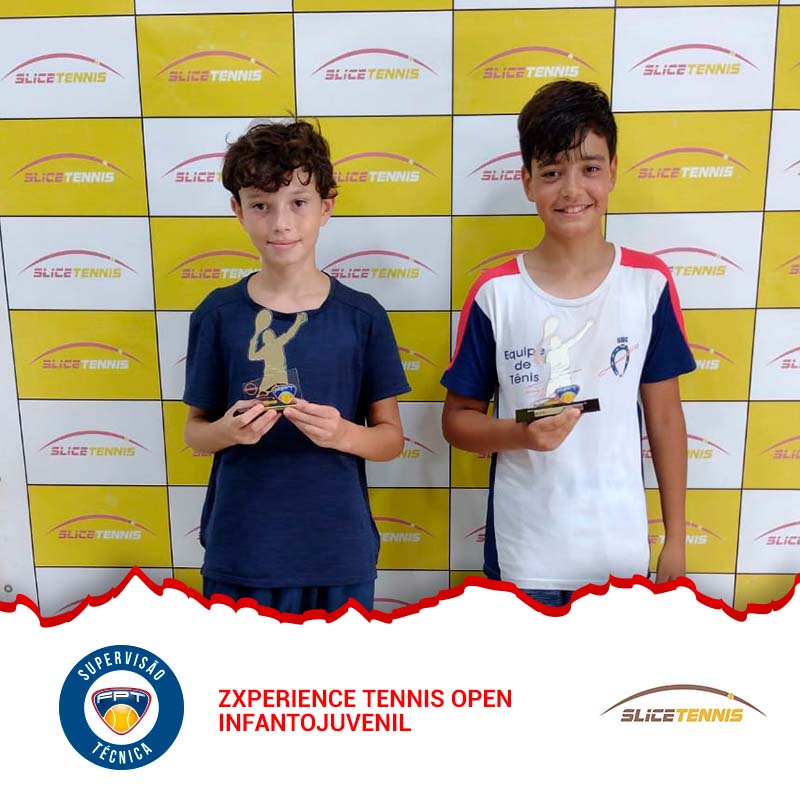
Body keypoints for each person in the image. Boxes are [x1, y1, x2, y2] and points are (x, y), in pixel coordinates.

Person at [441, 81, 696, 607]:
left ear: (613, 172)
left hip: (618, 555)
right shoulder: (496, 293)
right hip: (524, 554)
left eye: (590, 168)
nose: (573, 189)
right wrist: (521, 435)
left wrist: (675, 538)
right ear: (527, 181)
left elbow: (666, 419)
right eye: (553, 172)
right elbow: (457, 422)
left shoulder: (648, 283)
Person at [183, 120, 410, 614]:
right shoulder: (217, 315)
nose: (281, 223)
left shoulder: (363, 316)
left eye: (298, 203)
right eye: (261, 205)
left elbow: (390, 439)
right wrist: (227, 430)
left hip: (338, 552)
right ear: (238, 210)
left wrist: (342, 434)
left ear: (326, 206)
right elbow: (195, 433)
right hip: (241, 550)